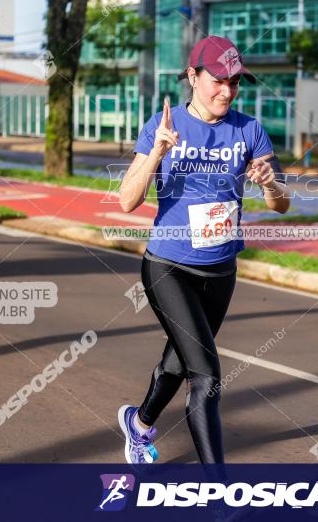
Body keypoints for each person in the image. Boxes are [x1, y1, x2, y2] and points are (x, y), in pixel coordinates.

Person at [116, 36, 291, 464]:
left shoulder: (249, 130)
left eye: (235, 83)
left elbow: (281, 202)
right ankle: (218, 499)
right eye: (218, 81)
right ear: (193, 78)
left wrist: (269, 180)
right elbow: (126, 200)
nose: (227, 92)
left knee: (179, 363)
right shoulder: (163, 125)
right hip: (168, 267)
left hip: (221, 272)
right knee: (207, 377)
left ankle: (138, 424)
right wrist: (157, 149)